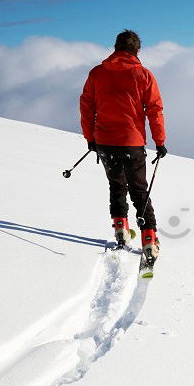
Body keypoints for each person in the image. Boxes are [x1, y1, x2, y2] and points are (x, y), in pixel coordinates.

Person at [79, 29, 167, 264]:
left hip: (105, 142)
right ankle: (149, 240)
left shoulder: (97, 73)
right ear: (137, 50)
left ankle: (120, 229)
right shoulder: (143, 75)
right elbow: (155, 110)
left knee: (116, 186)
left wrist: (91, 138)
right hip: (132, 141)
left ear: (115, 47)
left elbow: (87, 106)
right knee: (139, 191)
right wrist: (160, 142)